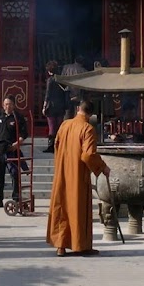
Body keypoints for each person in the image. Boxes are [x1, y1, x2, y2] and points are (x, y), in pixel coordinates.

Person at [46, 99, 109, 257]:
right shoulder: (87, 128)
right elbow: (88, 155)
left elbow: (57, 146)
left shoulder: (64, 125)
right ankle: (81, 245)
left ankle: (60, 246)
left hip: (62, 173)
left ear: (77, 109)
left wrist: (61, 163)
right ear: (90, 114)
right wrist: (102, 167)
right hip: (78, 175)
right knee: (78, 209)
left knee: (62, 207)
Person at [0, 95, 28, 208]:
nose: (8, 106)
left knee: (15, 174)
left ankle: (16, 198)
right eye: (6, 104)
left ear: (14, 105)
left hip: (12, 149)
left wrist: (17, 144)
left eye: (10, 104)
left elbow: (24, 134)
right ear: (3, 104)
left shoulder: (18, 117)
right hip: (0, 150)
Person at [42, 61, 68, 153]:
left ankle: (51, 146)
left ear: (49, 70)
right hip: (61, 105)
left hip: (51, 106)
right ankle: (60, 145)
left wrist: (44, 106)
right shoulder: (61, 79)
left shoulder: (50, 80)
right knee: (60, 126)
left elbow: (47, 94)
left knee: (52, 126)